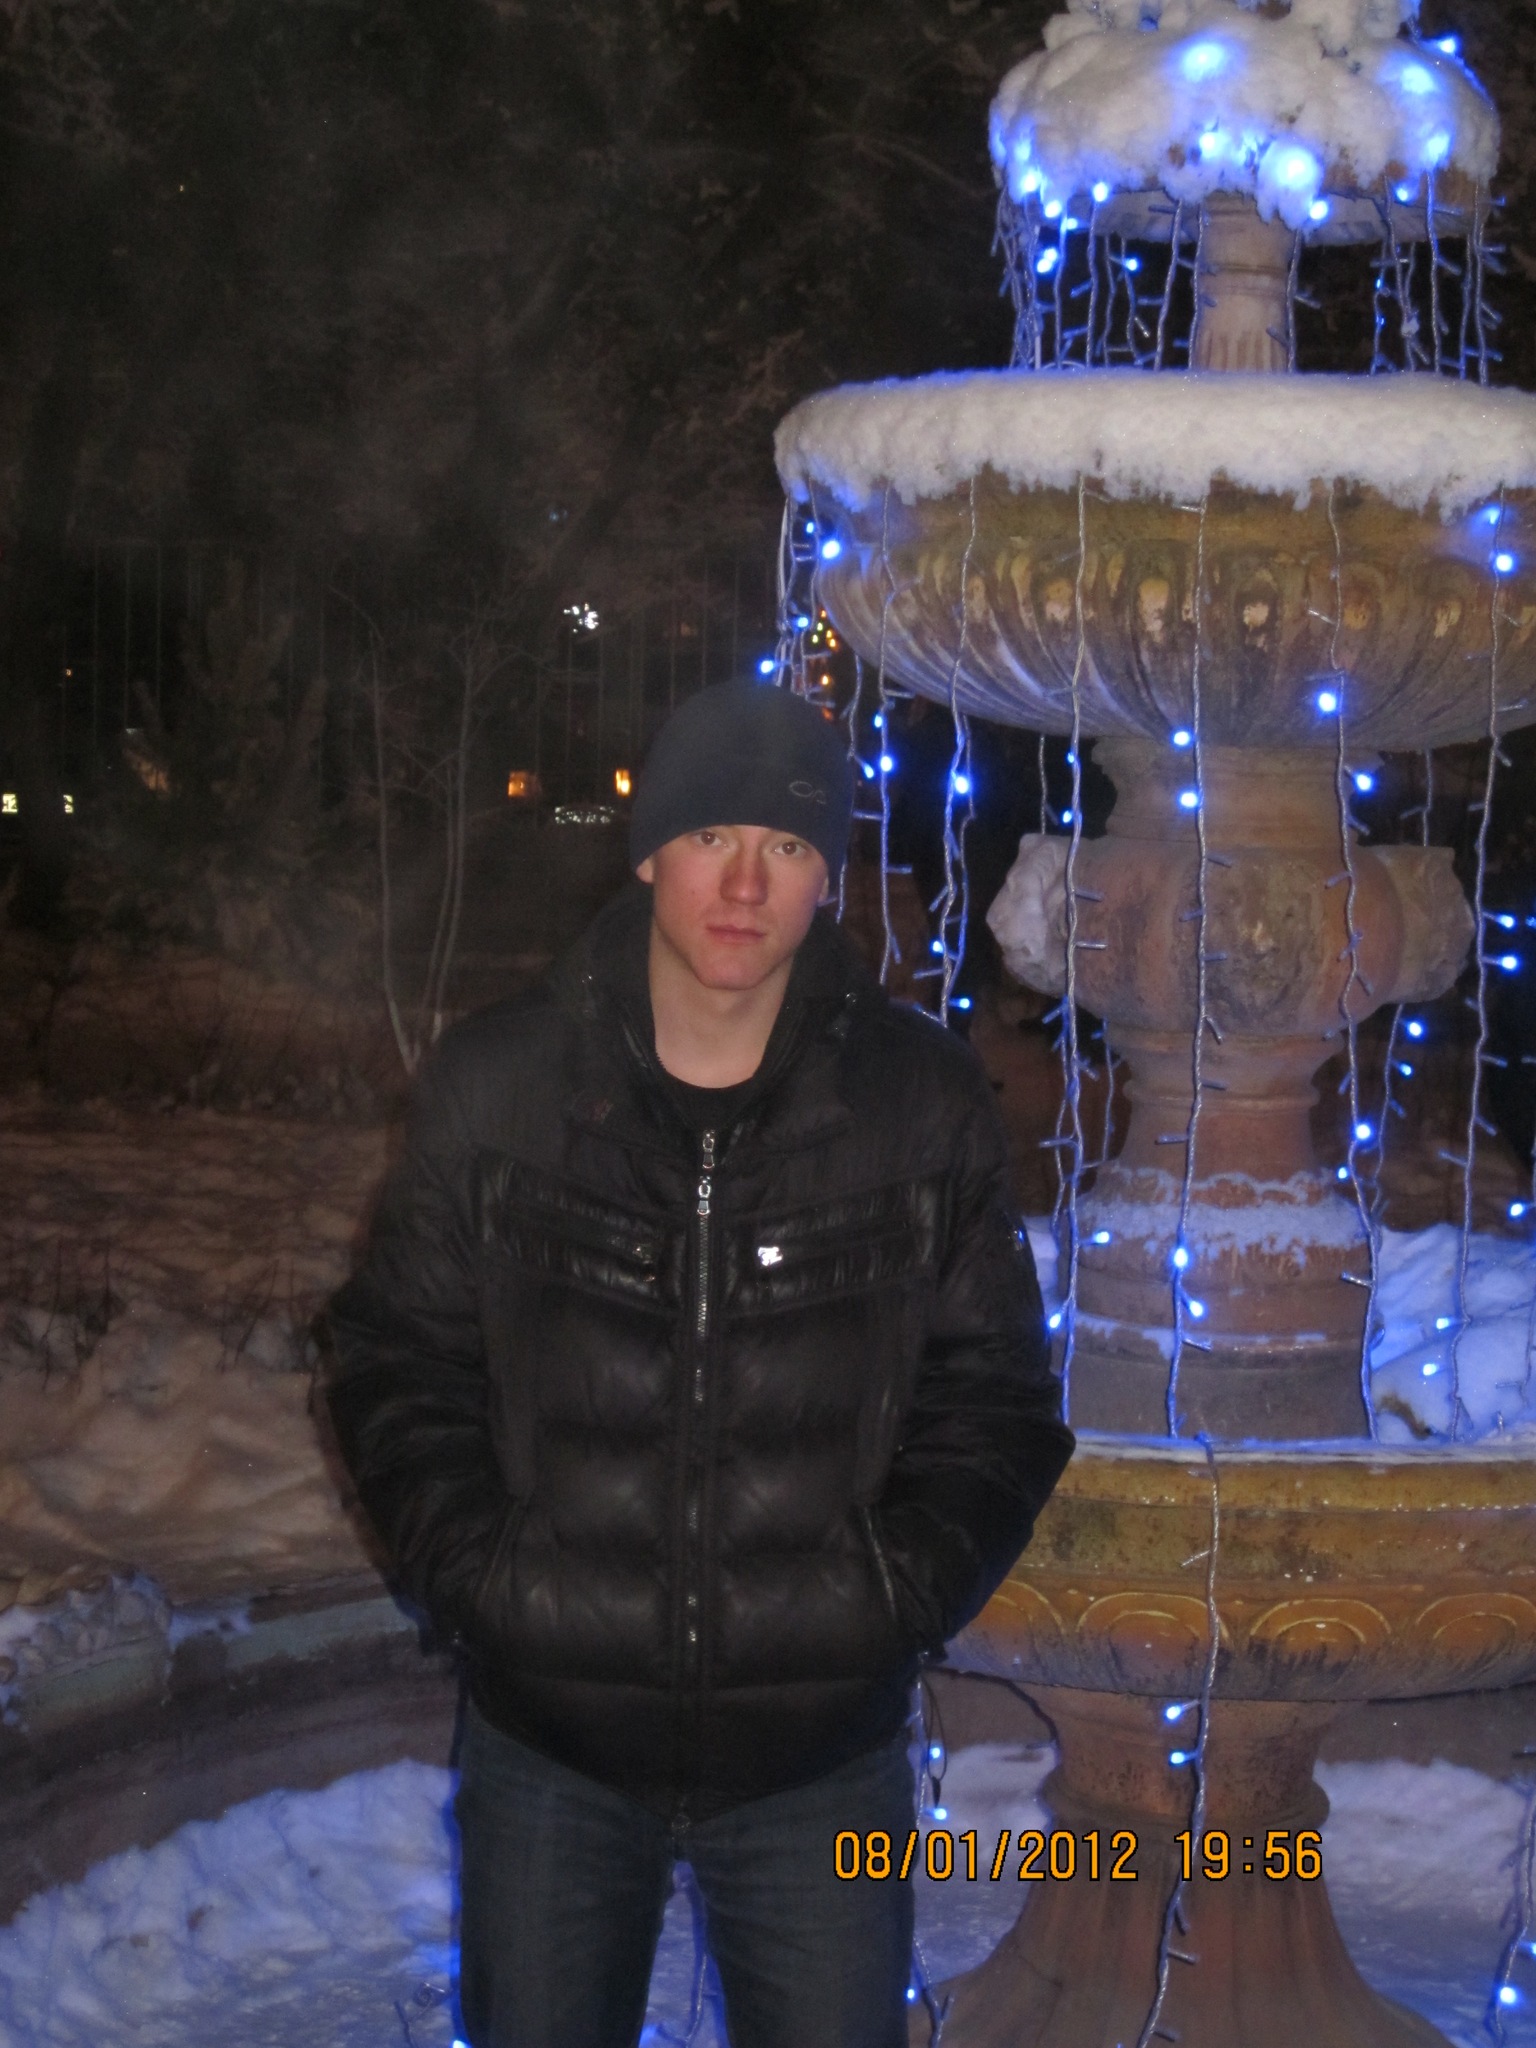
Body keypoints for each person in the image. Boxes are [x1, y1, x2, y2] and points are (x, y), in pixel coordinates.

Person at [325, 679, 1074, 2048]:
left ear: (826, 875)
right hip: (551, 1748)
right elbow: (396, 1361)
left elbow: (997, 1398)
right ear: (648, 852)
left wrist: (884, 1598)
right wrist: (490, 1581)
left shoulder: (915, 1101)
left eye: (786, 845)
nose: (744, 884)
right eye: (713, 835)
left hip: (819, 1760)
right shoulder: (499, 1085)